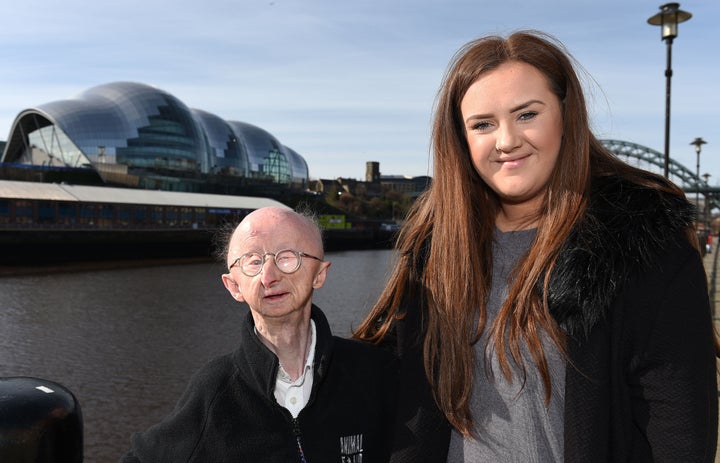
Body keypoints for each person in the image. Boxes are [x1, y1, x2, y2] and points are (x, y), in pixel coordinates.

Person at [354, 30, 719, 462]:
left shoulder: (643, 246)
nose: (506, 140)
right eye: (483, 124)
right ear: (462, 139)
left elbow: (680, 433)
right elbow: (378, 372)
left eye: (527, 114)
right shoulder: (436, 249)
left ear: (566, 115)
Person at [121, 206, 396, 462]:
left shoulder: (375, 372)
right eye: (253, 261)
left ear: (319, 274)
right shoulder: (214, 391)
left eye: (287, 257)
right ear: (233, 286)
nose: (269, 276)